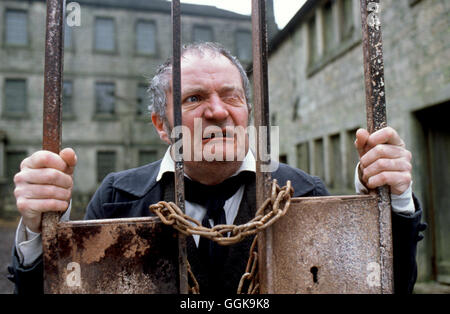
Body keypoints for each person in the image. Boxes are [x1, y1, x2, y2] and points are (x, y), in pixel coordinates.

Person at [8, 42, 425, 294]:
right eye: (193, 99)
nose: (218, 112)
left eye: (232, 96)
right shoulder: (118, 197)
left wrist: (391, 202)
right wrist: (39, 229)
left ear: (247, 111)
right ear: (159, 124)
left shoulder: (300, 191)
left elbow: (387, 286)